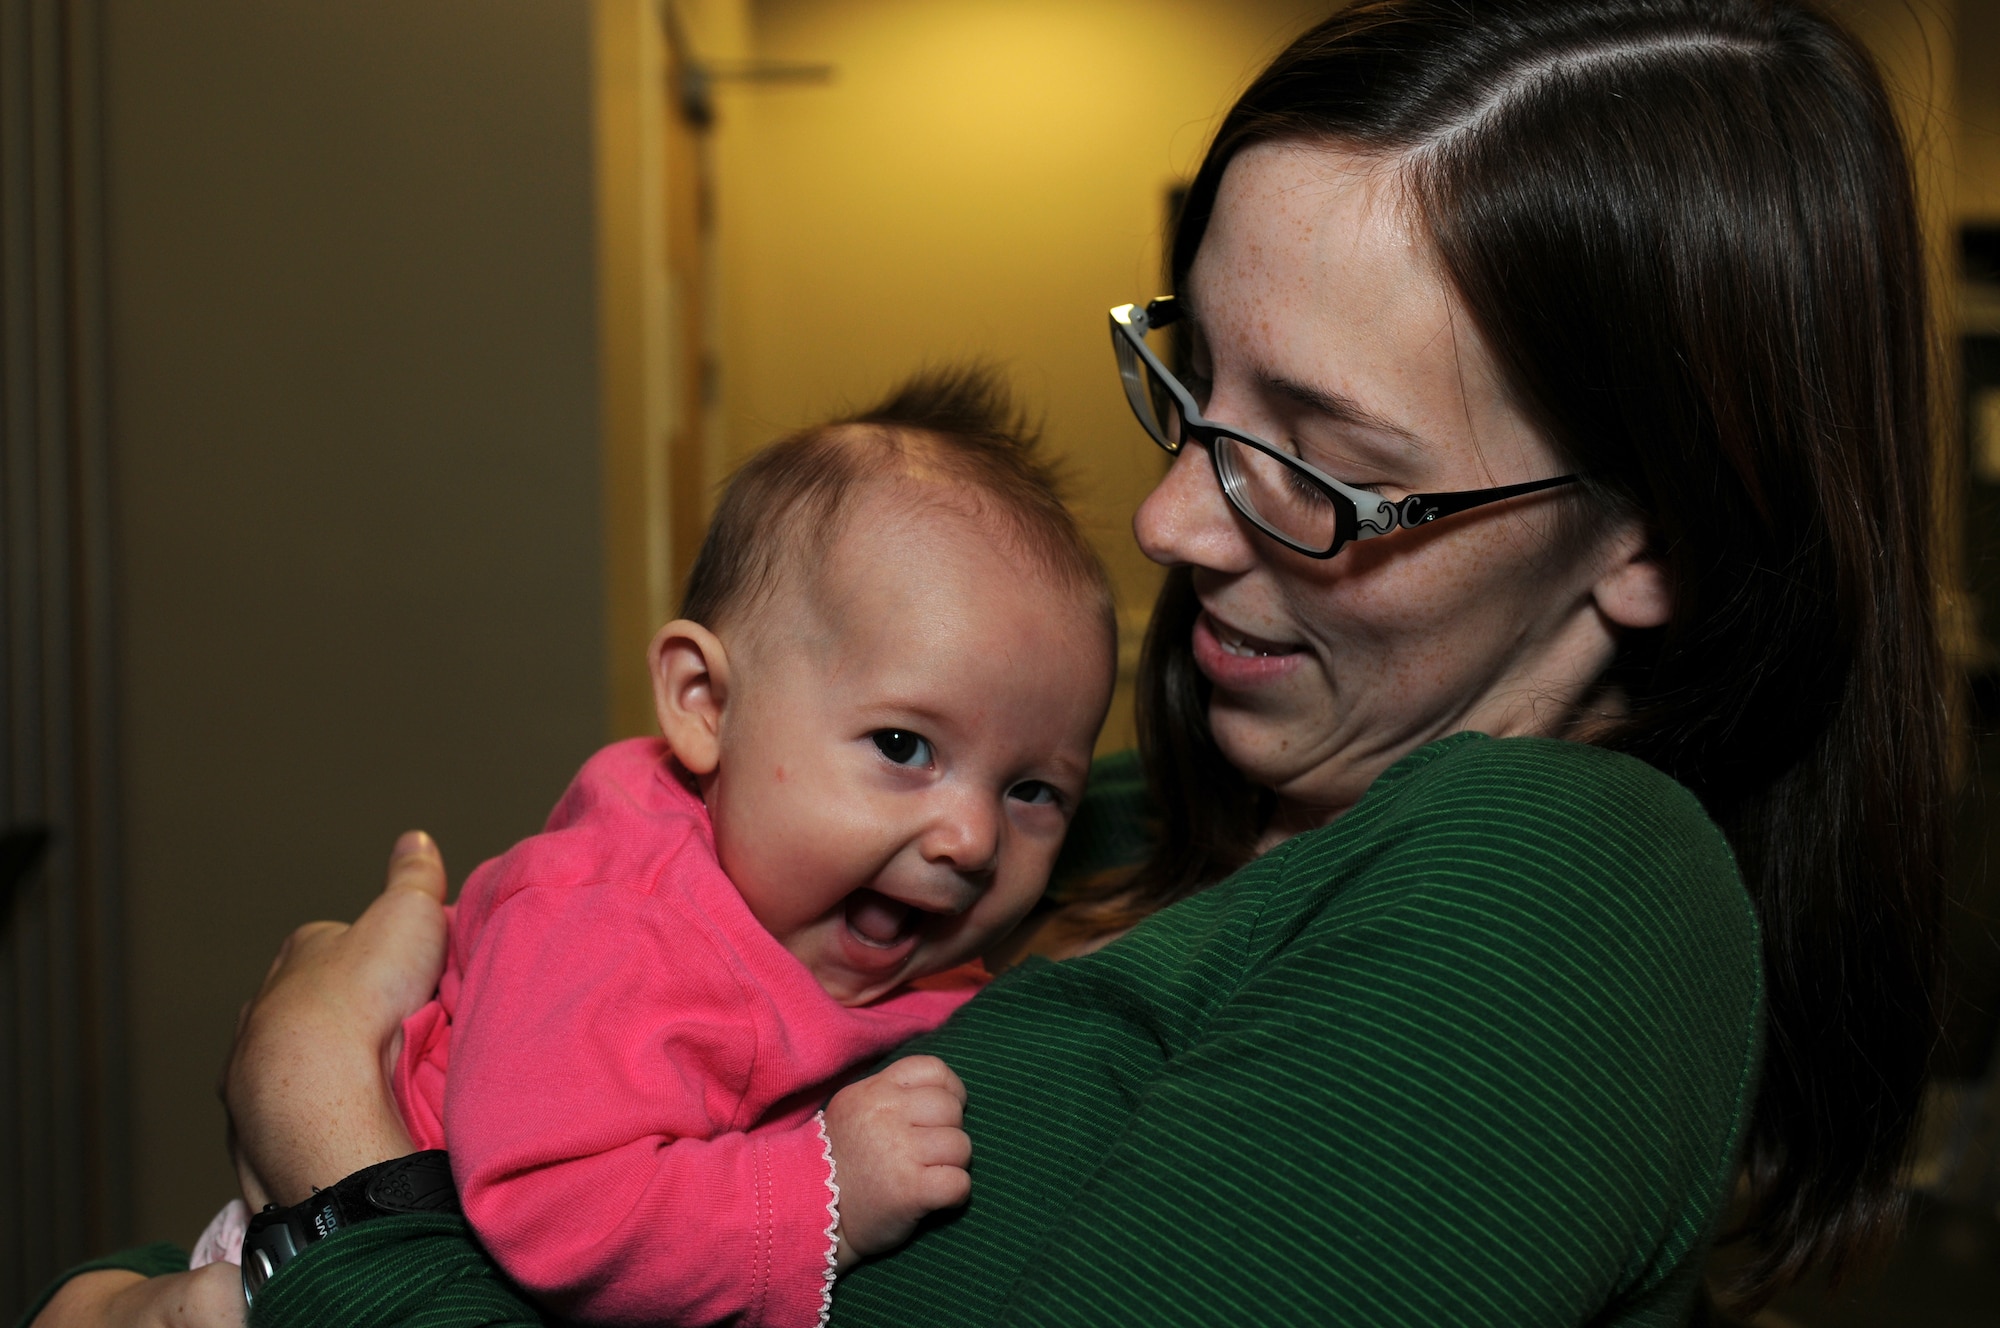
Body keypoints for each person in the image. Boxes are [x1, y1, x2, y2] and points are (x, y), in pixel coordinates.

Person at [27, 0, 1947, 1323]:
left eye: (1320, 472)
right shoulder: (1070, 817)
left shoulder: (1557, 906)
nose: (1175, 522)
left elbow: (414, 1195)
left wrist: (332, 1186)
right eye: (1195, 382)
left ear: (1659, 542)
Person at [178, 381, 1118, 1328]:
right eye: (904, 747)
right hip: (310, 1273)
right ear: (705, 704)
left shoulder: (903, 932)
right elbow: (547, 1204)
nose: (974, 838)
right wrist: (822, 1196)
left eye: (1034, 790)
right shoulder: (615, 922)